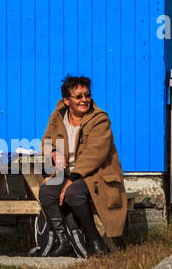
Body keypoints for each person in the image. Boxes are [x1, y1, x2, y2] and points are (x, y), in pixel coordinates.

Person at [35, 75, 126, 257]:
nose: (84, 100)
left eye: (87, 95)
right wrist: (53, 151)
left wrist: (71, 179)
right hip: (69, 174)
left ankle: (94, 240)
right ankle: (63, 241)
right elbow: (46, 141)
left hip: (95, 175)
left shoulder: (100, 120)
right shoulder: (58, 116)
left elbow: (95, 154)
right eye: (79, 96)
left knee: (73, 192)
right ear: (66, 101)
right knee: (46, 191)